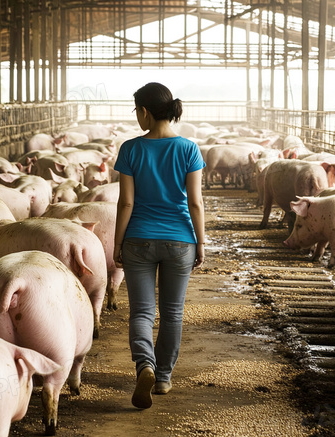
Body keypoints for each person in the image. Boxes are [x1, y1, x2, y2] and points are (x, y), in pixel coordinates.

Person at [113, 82, 206, 410]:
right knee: (172, 312)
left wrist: (117, 243)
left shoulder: (130, 149)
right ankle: (164, 376)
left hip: (138, 238)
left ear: (145, 112)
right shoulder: (189, 149)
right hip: (181, 239)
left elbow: (126, 203)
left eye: (136, 110)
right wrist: (201, 241)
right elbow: (195, 202)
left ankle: (145, 367)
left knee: (141, 311)